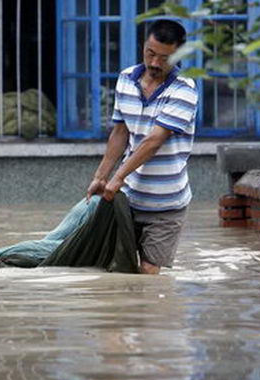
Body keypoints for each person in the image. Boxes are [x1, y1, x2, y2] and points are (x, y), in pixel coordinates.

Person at [86, 20, 198, 275]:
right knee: (117, 271)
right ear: (144, 47)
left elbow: (153, 141)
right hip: (128, 198)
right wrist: (100, 177)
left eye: (165, 58)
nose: (155, 63)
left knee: (148, 273)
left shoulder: (185, 89)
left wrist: (117, 178)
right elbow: (120, 132)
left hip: (166, 204)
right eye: (150, 53)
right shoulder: (126, 79)